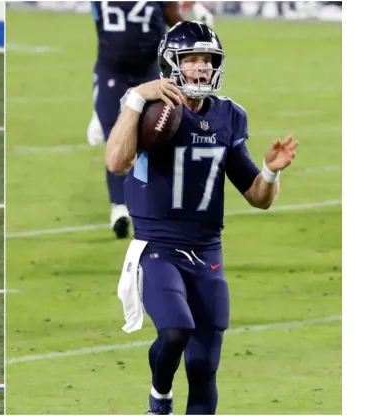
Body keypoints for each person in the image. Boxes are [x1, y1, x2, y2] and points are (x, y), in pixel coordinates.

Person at [106, 22, 298, 415]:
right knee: (176, 329)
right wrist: (136, 100)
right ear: (170, 64)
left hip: (207, 252)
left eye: (207, 61)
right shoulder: (147, 106)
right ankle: (159, 397)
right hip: (157, 247)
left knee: (204, 366)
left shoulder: (229, 115)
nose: (199, 69)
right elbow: (116, 161)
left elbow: (258, 198)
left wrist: (271, 171)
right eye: (190, 60)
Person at [88, 1, 214, 239]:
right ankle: (119, 206)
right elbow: (101, 27)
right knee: (116, 137)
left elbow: (175, 21)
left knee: (159, 137)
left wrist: (196, 28)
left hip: (151, 71)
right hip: (112, 71)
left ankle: (159, 201)